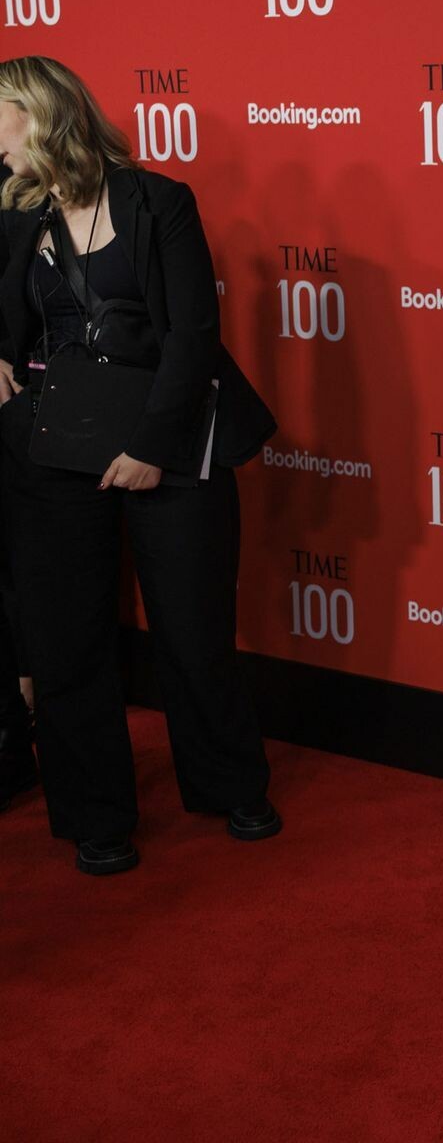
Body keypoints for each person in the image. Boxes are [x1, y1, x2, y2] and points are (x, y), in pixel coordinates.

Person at [0, 55, 281, 876]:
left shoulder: (158, 201)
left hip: (168, 437)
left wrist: (152, 448)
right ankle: (95, 815)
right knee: (66, 640)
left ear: (40, 114)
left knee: (194, 629)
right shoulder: (13, 211)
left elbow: (193, 334)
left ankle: (230, 784)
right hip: (50, 445)